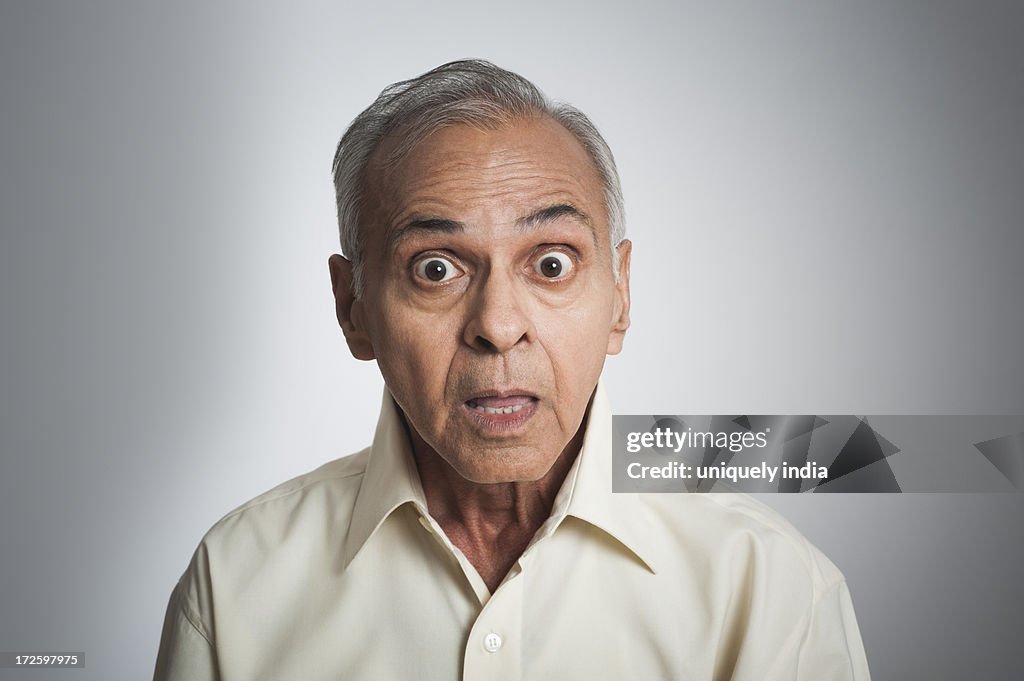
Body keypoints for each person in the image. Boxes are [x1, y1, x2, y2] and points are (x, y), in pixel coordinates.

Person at [153, 59, 871, 680]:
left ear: (620, 296)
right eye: (435, 268)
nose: (498, 325)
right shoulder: (237, 582)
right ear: (354, 308)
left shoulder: (768, 584)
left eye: (551, 264)